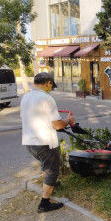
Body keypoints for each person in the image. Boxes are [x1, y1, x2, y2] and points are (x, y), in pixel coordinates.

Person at [20, 72, 75, 213]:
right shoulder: (46, 98)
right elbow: (58, 125)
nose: (51, 89)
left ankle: (49, 183)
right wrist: (68, 120)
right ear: (47, 83)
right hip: (44, 142)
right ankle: (44, 204)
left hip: (29, 142)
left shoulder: (26, 97)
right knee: (52, 171)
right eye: (51, 86)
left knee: (45, 165)